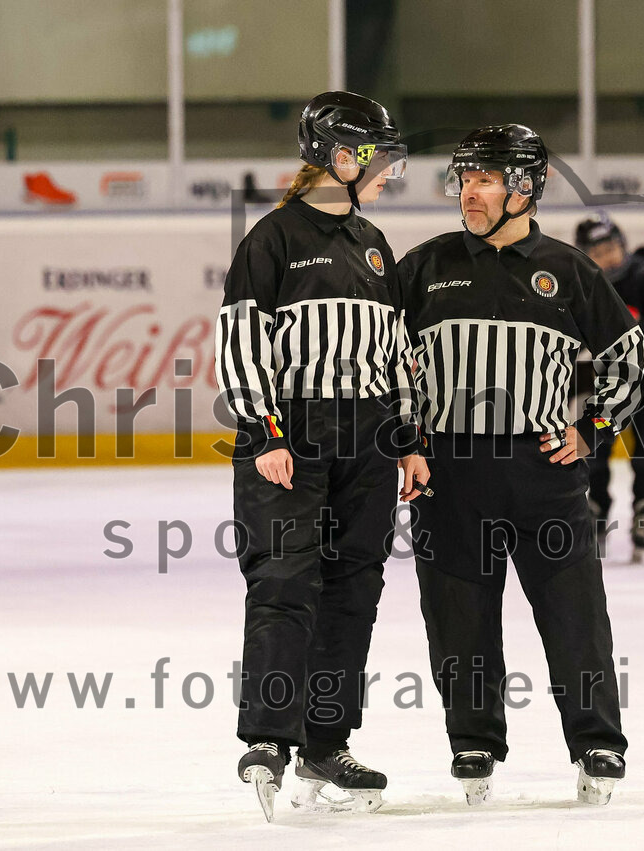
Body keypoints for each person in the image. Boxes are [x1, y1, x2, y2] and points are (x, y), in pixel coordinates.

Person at [397, 125, 644, 805]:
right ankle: (472, 740)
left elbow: (631, 356)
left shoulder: (567, 269)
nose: (467, 193)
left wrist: (592, 427)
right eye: (463, 179)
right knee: (458, 614)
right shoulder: (423, 266)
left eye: (482, 179)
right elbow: (381, 359)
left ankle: (597, 739)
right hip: (448, 470)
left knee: (575, 611)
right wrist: (406, 439)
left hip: (544, 472)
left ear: (525, 188)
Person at [214, 90, 430, 820]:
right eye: (380, 158)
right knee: (285, 580)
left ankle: (325, 741)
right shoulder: (271, 241)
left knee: (354, 587)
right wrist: (267, 432)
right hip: (291, 436)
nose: (388, 172)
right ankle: (270, 737)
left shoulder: (373, 244)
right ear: (339, 157)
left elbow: (394, 354)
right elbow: (241, 343)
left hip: (367, 439)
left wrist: (405, 439)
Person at [574, 216, 644, 560]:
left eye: (612, 249)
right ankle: (596, 510)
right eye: (599, 252)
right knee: (597, 455)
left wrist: (630, 325)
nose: (609, 257)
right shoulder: (583, 284)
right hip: (603, 393)